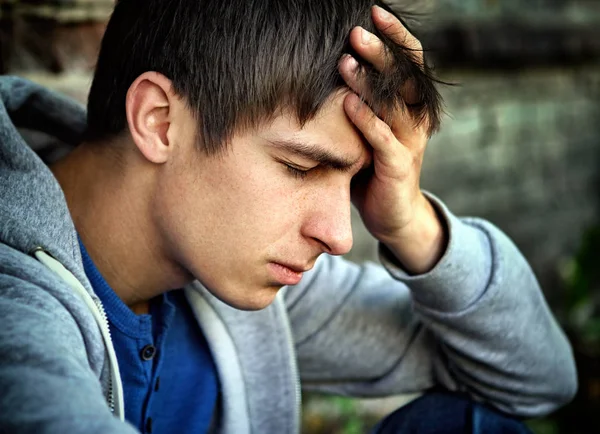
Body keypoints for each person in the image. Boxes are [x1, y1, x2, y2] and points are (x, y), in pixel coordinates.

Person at [0, 0, 577, 433]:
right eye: (300, 168)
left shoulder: (236, 276)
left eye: (352, 180)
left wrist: (412, 225)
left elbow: (537, 380)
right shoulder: (15, 308)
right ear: (158, 121)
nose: (339, 235)